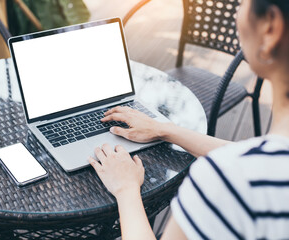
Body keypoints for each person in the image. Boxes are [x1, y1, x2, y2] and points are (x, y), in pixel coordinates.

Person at [88, 0, 289, 239]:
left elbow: (247, 168)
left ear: (271, 28)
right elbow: (260, 161)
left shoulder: (228, 182)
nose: (237, 11)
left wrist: (126, 189)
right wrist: (164, 130)